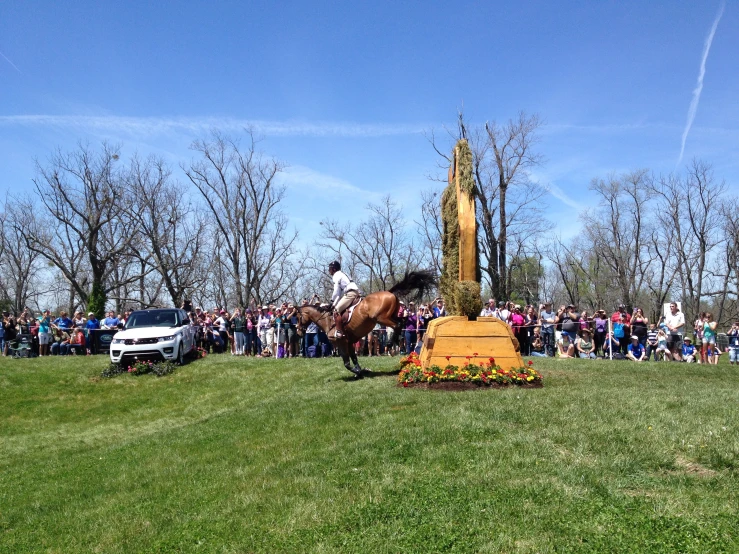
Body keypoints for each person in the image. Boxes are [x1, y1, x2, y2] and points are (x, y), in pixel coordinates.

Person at [328, 260, 360, 338]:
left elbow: (336, 291)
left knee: (336, 311)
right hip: (355, 292)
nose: (329, 271)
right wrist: (334, 303)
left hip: (350, 293)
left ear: (334, 269)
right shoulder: (342, 274)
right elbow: (338, 294)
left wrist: (332, 301)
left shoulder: (336, 275)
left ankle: (339, 331)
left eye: (330, 269)